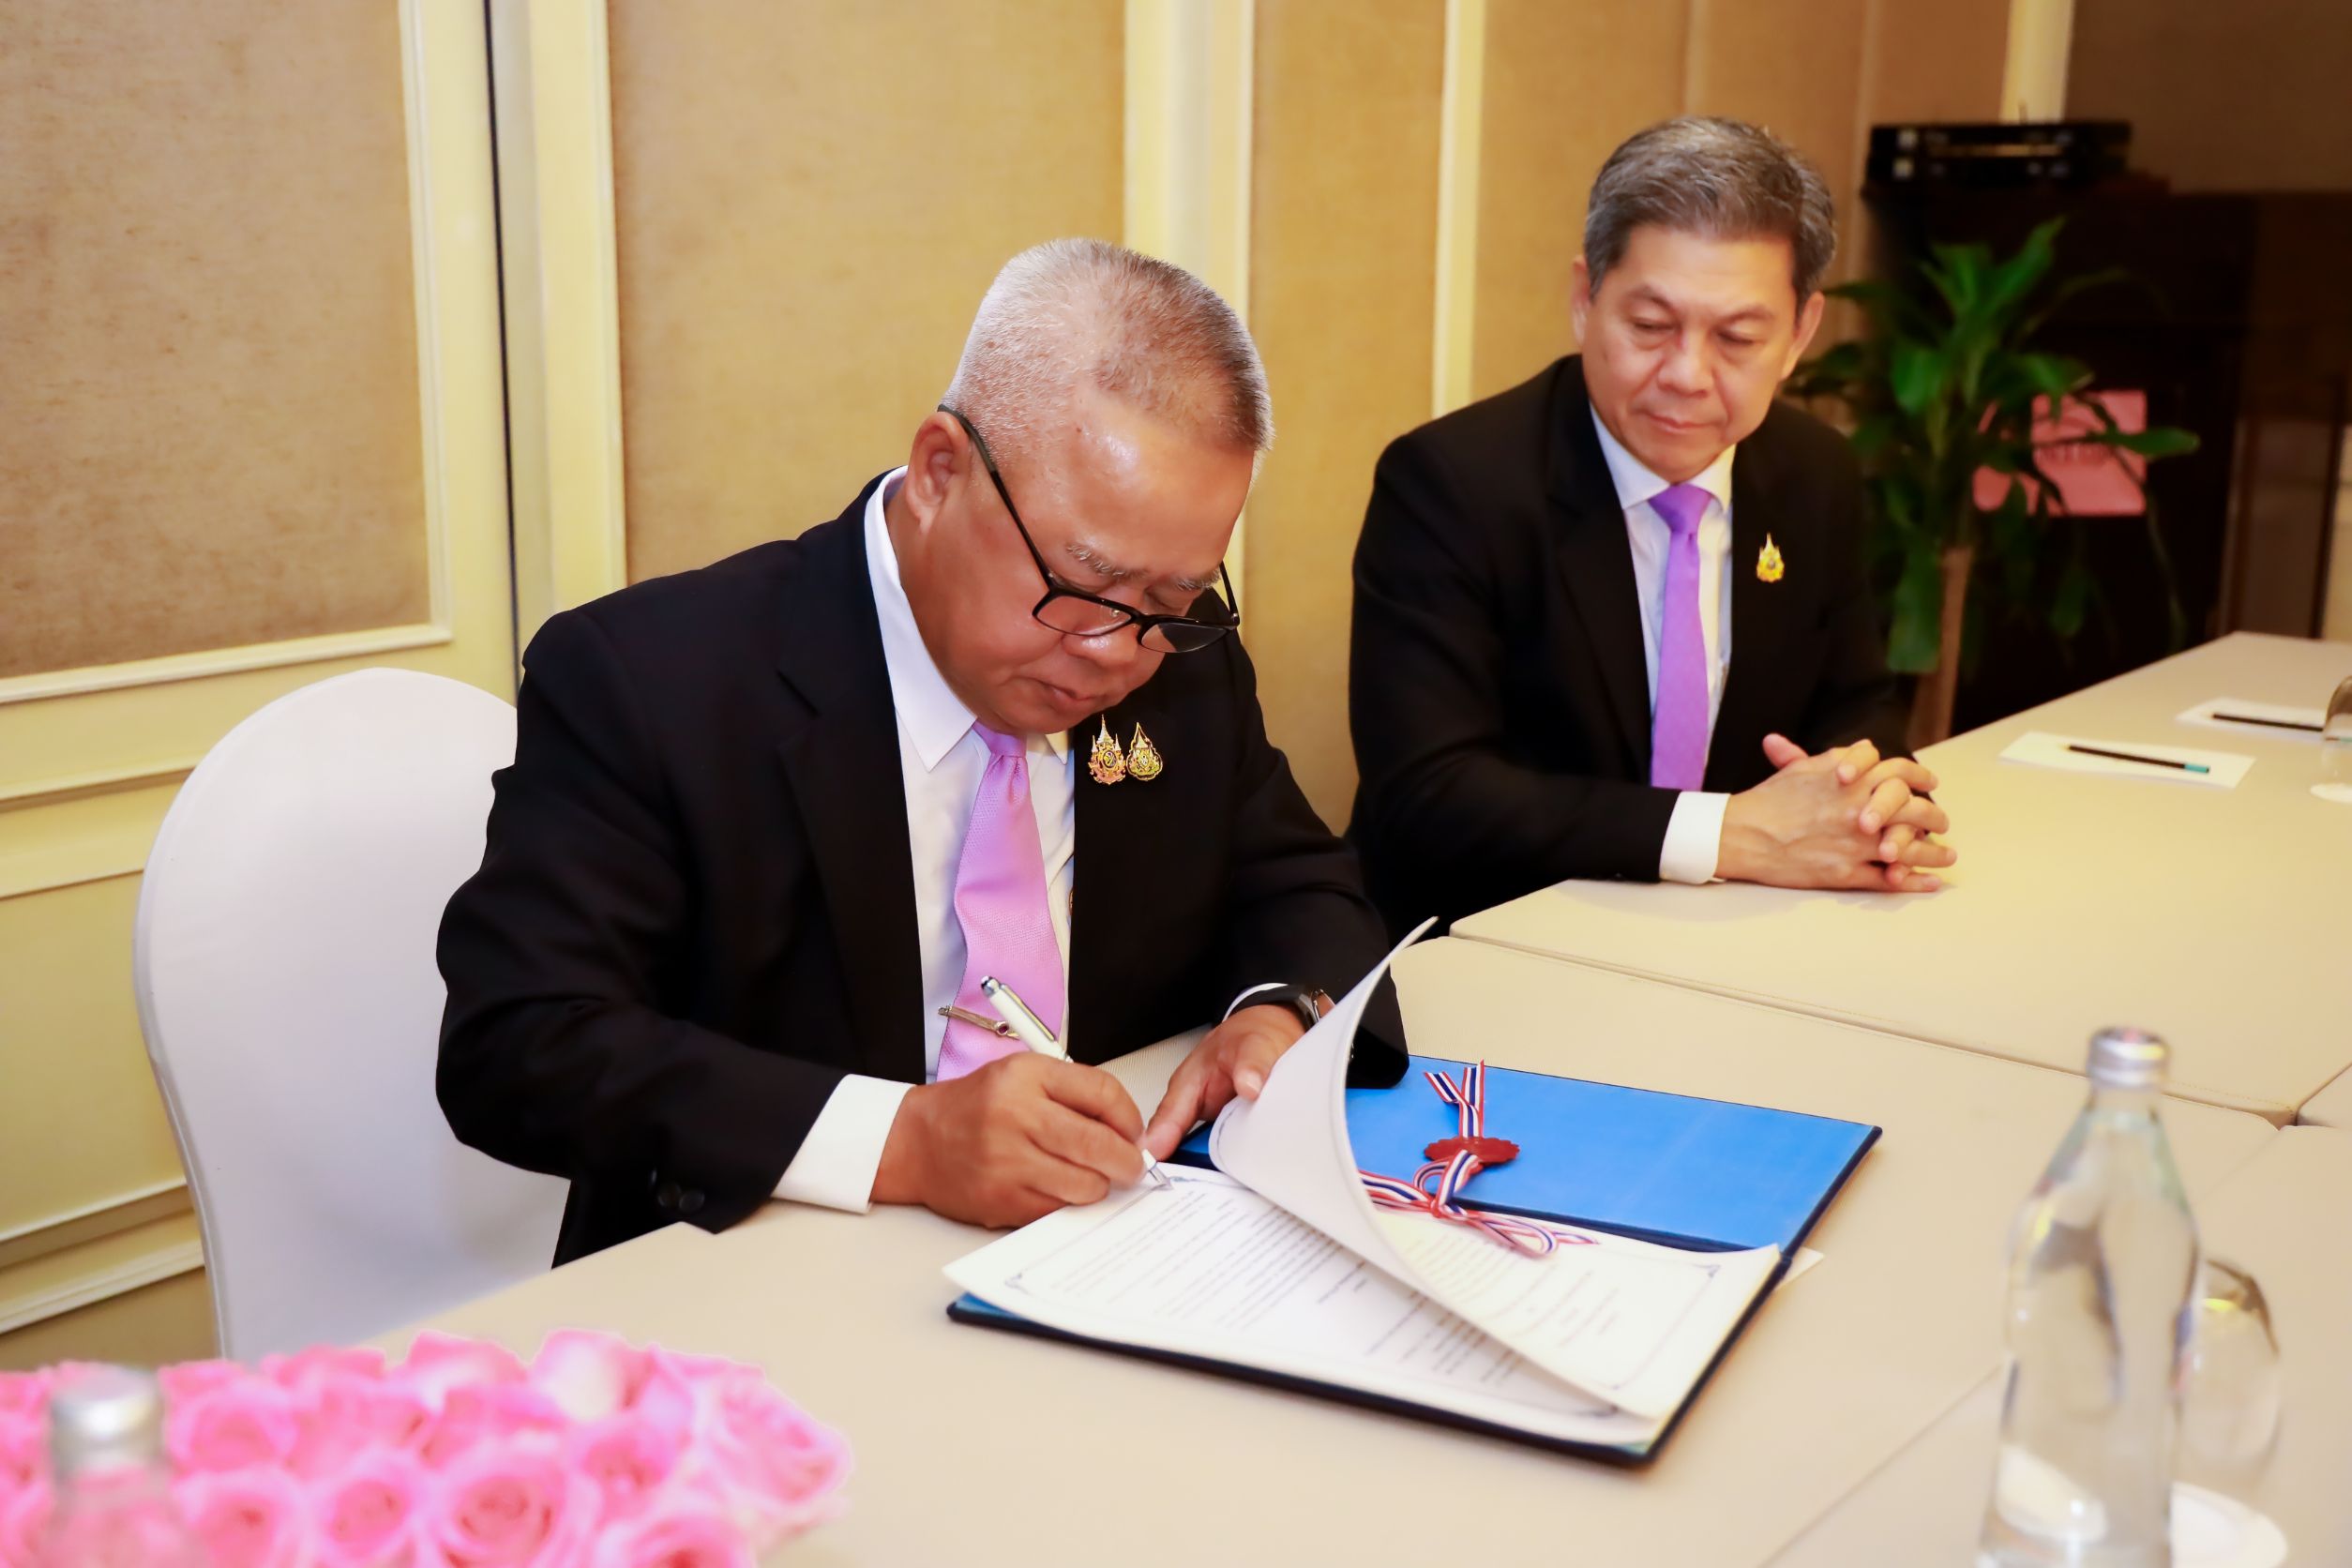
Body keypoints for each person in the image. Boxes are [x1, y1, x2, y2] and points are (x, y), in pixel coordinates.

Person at [438, 239, 1404, 1265]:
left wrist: (1277, 1017)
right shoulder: (653, 681)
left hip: (1104, 1254)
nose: (1117, 651)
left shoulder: (1182, 664)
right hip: (757, 1275)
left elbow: (1306, 888)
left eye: (1172, 598)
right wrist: (905, 1139)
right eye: (1082, 586)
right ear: (943, 471)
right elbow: (522, 1043)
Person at [1347, 115, 1955, 934]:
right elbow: (1430, 792)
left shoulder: (1816, 474)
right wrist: (1726, 834)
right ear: (1585, 299)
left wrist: (1873, 797)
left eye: (1737, 337)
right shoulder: (1452, 484)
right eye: (1650, 326)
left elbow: (1855, 703)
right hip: (1494, 933)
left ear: (1800, 335)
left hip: (1736, 929)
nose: (1687, 375)